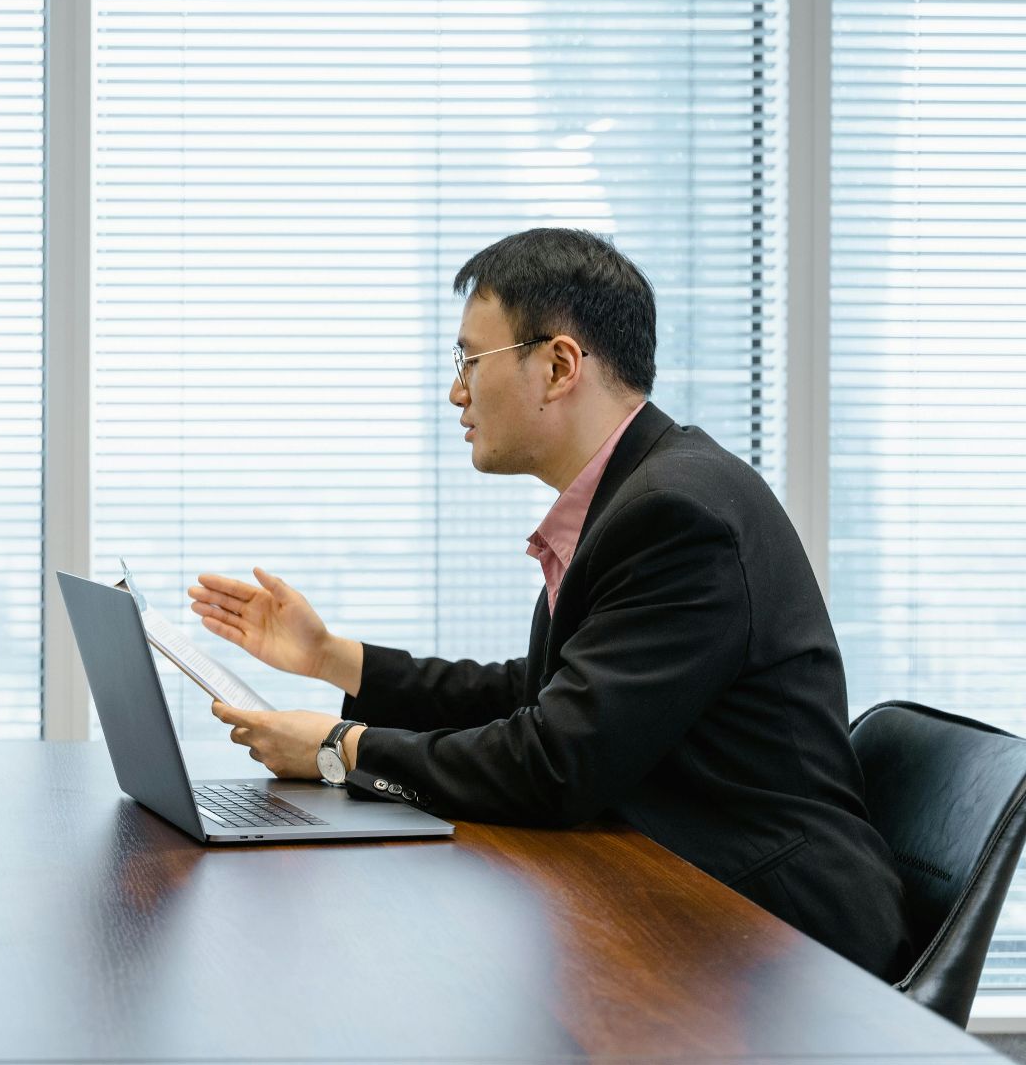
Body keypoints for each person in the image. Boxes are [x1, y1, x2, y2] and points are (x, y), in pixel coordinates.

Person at [187, 228, 909, 979]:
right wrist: (331, 658)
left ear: (560, 365)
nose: (455, 392)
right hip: (689, 892)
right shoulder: (636, 496)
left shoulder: (677, 514)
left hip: (781, 934)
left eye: (470, 360)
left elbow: (557, 762)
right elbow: (539, 695)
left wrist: (340, 750)